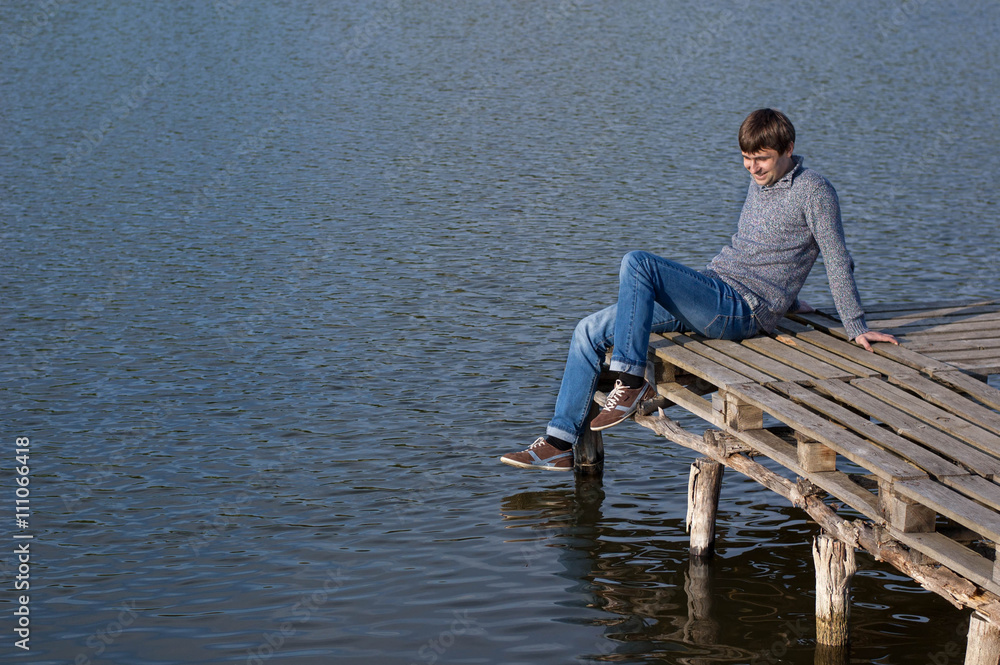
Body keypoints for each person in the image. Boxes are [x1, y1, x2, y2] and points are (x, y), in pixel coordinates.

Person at [500, 108, 898, 472]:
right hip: (714, 291)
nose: (752, 167)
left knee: (638, 262)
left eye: (762, 158)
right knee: (588, 329)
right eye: (746, 157)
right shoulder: (761, 183)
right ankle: (560, 442)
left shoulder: (814, 191)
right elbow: (770, 252)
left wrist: (855, 324)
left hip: (743, 308)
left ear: (788, 149)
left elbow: (834, 256)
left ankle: (631, 380)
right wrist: (790, 297)